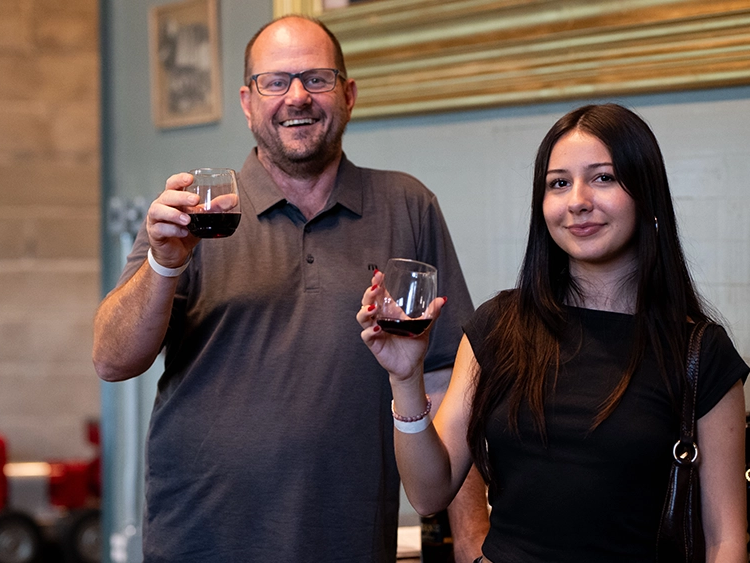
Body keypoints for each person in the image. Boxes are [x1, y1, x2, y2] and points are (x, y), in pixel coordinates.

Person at [92, 15, 487, 563]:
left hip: (348, 539)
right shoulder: (193, 214)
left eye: (317, 79)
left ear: (348, 95)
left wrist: (472, 541)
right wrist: (162, 263)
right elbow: (112, 361)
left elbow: (448, 383)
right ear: (247, 101)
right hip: (200, 542)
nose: (296, 97)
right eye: (274, 82)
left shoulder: (407, 205)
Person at [358, 103, 750, 562]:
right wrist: (405, 380)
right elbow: (429, 493)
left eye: (603, 177)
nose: (577, 200)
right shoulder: (499, 325)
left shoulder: (700, 352)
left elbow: (725, 540)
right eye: (558, 183)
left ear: (646, 193)